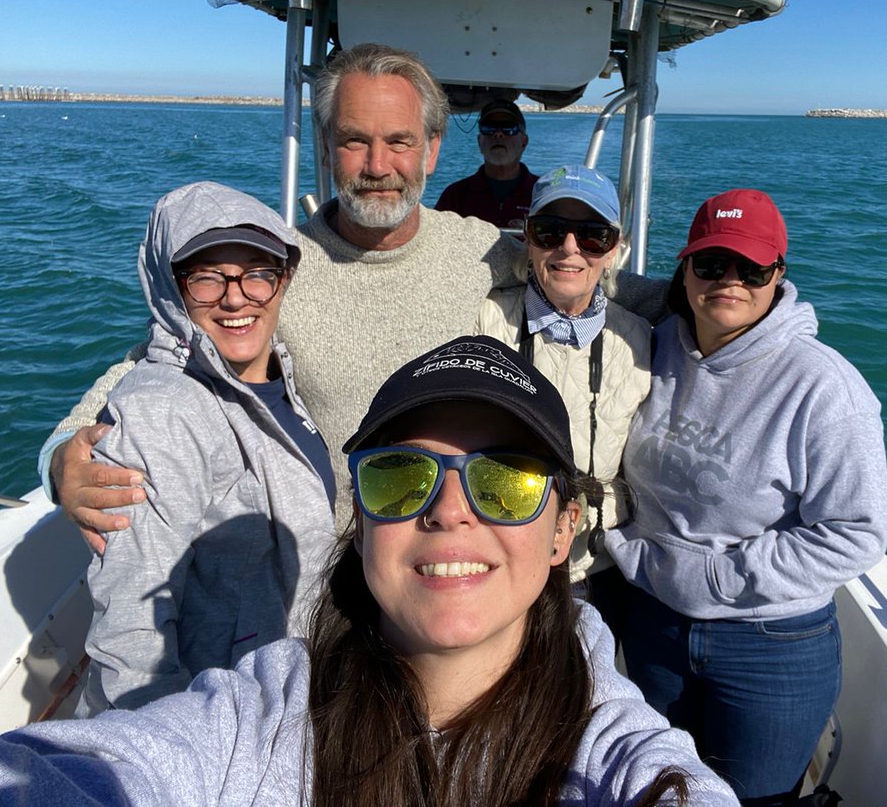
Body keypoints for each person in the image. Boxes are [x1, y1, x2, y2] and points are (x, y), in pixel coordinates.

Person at [0, 336, 738, 807]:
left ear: (564, 528)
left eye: (506, 481)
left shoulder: (607, 734)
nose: (450, 510)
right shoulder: (265, 714)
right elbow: (84, 775)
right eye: (398, 476)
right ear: (360, 529)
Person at [42, 44, 666, 551]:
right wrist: (61, 456)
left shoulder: (478, 250)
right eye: (353, 140)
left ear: (431, 150)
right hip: (327, 568)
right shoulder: (281, 265)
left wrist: (730, 295)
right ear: (326, 147)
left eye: (398, 141)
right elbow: (164, 353)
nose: (377, 164)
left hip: (451, 550)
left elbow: (586, 273)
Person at [605, 190, 887, 805]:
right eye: (710, 265)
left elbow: (856, 533)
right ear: (683, 272)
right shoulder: (653, 343)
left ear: (779, 276)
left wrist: (712, 577)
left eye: (751, 268)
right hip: (654, 621)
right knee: (660, 792)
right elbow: (585, 281)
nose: (728, 280)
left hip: (772, 645)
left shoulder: (825, 386)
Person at [75, 181, 337, 714]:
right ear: (170, 288)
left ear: (284, 279)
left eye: (258, 274)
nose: (236, 296)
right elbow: (130, 630)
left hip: (286, 684)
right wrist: (167, 757)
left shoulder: (273, 375)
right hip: (221, 716)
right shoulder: (162, 410)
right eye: (207, 278)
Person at [477, 164, 649, 620]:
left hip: (600, 567)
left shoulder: (640, 341)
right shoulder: (482, 323)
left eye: (593, 236)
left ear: (613, 251)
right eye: (550, 231)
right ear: (528, 241)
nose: (569, 249)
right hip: (500, 561)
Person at [434, 98, 538, 230]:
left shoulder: (543, 194)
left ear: (524, 141)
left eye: (508, 128)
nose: (498, 135)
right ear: (479, 141)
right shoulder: (455, 196)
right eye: (489, 129)